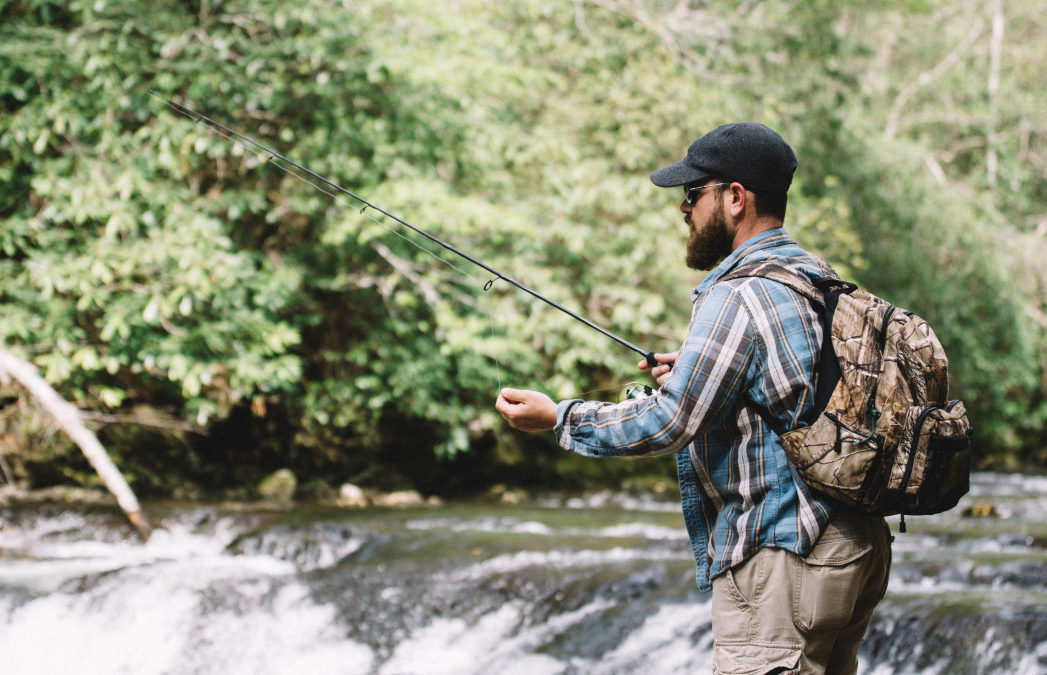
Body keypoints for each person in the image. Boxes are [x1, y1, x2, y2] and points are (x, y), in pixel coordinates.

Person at [495, 122, 892, 675]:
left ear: (734, 198)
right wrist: (695, 371)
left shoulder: (737, 293)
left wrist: (560, 417)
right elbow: (797, 389)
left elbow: (669, 419)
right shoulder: (813, 277)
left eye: (692, 194)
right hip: (851, 546)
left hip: (783, 552)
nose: (684, 209)